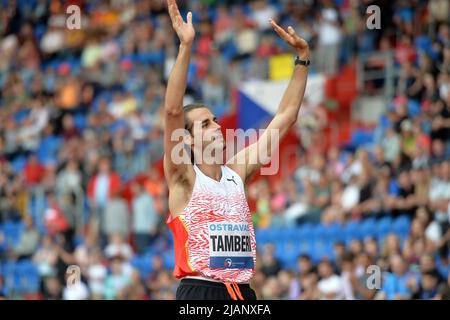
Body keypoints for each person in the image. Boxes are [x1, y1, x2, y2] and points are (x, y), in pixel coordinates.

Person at [163, 0, 309, 300]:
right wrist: (186, 47)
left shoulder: (237, 172)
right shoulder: (184, 178)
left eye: (215, 120)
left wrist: (303, 58)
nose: (216, 126)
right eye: (205, 124)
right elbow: (173, 110)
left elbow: (286, 116)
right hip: (201, 292)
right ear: (187, 140)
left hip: (243, 293)